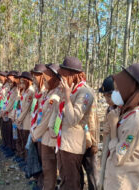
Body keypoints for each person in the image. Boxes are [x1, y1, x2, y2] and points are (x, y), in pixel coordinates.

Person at [56, 57, 96, 190]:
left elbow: (73, 120)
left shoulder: (85, 93)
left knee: (71, 182)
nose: (61, 79)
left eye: (64, 75)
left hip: (72, 145)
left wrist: (67, 97)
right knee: (65, 178)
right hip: (63, 141)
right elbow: (61, 113)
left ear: (72, 75)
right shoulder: (71, 89)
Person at [104, 63, 139, 190]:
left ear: (130, 89)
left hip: (122, 184)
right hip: (113, 180)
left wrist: (114, 129)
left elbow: (119, 157)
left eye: (117, 90)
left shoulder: (136, 120)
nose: (115, 94)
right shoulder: (126, 113)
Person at [31, 64, 62, 190]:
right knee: (46, 167)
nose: (44, 82)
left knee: (49, 168)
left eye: (45, 79)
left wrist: (35, 134)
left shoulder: (55, 96)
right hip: (43, 136)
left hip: (50, 138)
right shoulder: (47, 93)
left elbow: (47, 119)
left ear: (53, 79)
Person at [14, 72, 35, 168]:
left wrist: (19, 119)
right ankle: (23, 157)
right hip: (21, 119)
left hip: (26, 120)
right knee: (21, 139)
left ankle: (27, 161)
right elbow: (20, 104)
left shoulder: (31, 91)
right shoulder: (24, 91)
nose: (21, 84)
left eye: (23, 82)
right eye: (20, 82)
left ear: (28, 82)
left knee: (26, 141)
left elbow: (26, 107)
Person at [1, 71, 19, 157]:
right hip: (6, 112)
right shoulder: (9, 88)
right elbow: (5, 100)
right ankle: (8, 146)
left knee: (12, 133)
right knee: (7, 131)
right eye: (8, 79)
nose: (9, 81)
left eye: (11, 79)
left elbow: (13, 103)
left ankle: (12, 149)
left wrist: (6, 110)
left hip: (11, 113)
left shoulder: (16, 90)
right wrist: (2, 108)